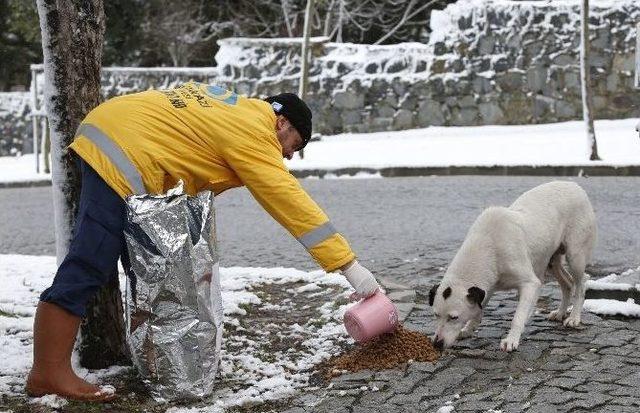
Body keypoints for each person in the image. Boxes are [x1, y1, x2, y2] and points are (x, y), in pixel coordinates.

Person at [26, 82, 380, 401]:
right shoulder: (254, 131)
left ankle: (139, 363)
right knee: (91, 260)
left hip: (113, 132)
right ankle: (48, 372)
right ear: (282, 123)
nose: (288, 155)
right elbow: (289, 201)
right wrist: (349, 266)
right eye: (294, 145)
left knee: (132, 267)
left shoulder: (234, 110)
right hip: (121, 153)